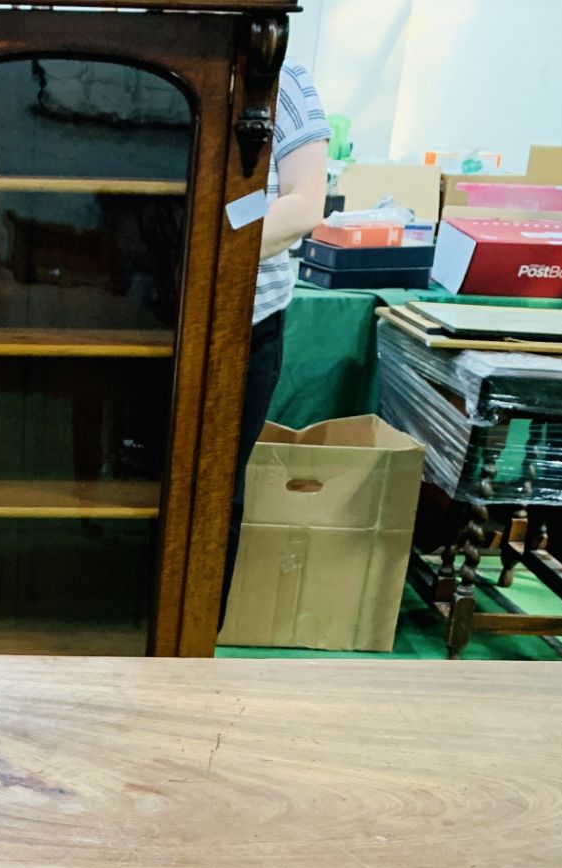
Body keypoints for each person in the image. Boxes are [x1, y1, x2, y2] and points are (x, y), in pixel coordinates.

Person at [220, 63, 331, 629]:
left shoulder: (274, 73)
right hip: (138, 314)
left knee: (218, 486)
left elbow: (305, 202)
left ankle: (191, 642)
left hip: (243, 320)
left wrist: (209, 235)